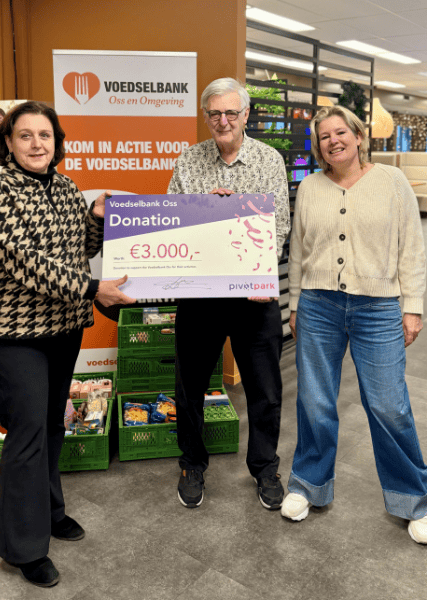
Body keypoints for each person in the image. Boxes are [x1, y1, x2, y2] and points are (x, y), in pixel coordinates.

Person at [0, 101, 135, 587]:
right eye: (25, 135)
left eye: (45, 135)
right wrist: (93, 288)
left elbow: (79, 250)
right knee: (26, 432)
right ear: (8, 142)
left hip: (62, 327)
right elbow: (25, 262)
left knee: (50, 425)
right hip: (14, 333)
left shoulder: (65, 187)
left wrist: (97, 218)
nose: (37, 144)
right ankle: (22, 548)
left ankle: (48, 511)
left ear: (56, 142)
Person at [281, 105, 427, 544]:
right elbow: (299, 250)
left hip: (379, 307)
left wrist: (413, 306)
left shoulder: (392, 181)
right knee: (314, 401)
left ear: (358, 136)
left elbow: (411, 247)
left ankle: (413, 500)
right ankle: (307, 485)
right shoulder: (310, 187)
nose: (333, 141)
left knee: (389, 405)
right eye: (324, 136)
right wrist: (295, 304)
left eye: (340, 132)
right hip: (318, 305)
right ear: (319, 147)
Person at [167, 77, 290, 510]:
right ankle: (191, 463)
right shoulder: (188, 160)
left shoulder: (269, 160)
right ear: (206, 117)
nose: (223, 120)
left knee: (265, 389)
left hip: (253, 298)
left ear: (246, 115)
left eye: (231, 112)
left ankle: (265, 466)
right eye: (215, 113)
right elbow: (174, 221)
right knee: (190, 387)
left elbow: (279, 225)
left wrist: (240, 210)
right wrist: (209, 210)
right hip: (200, 296)